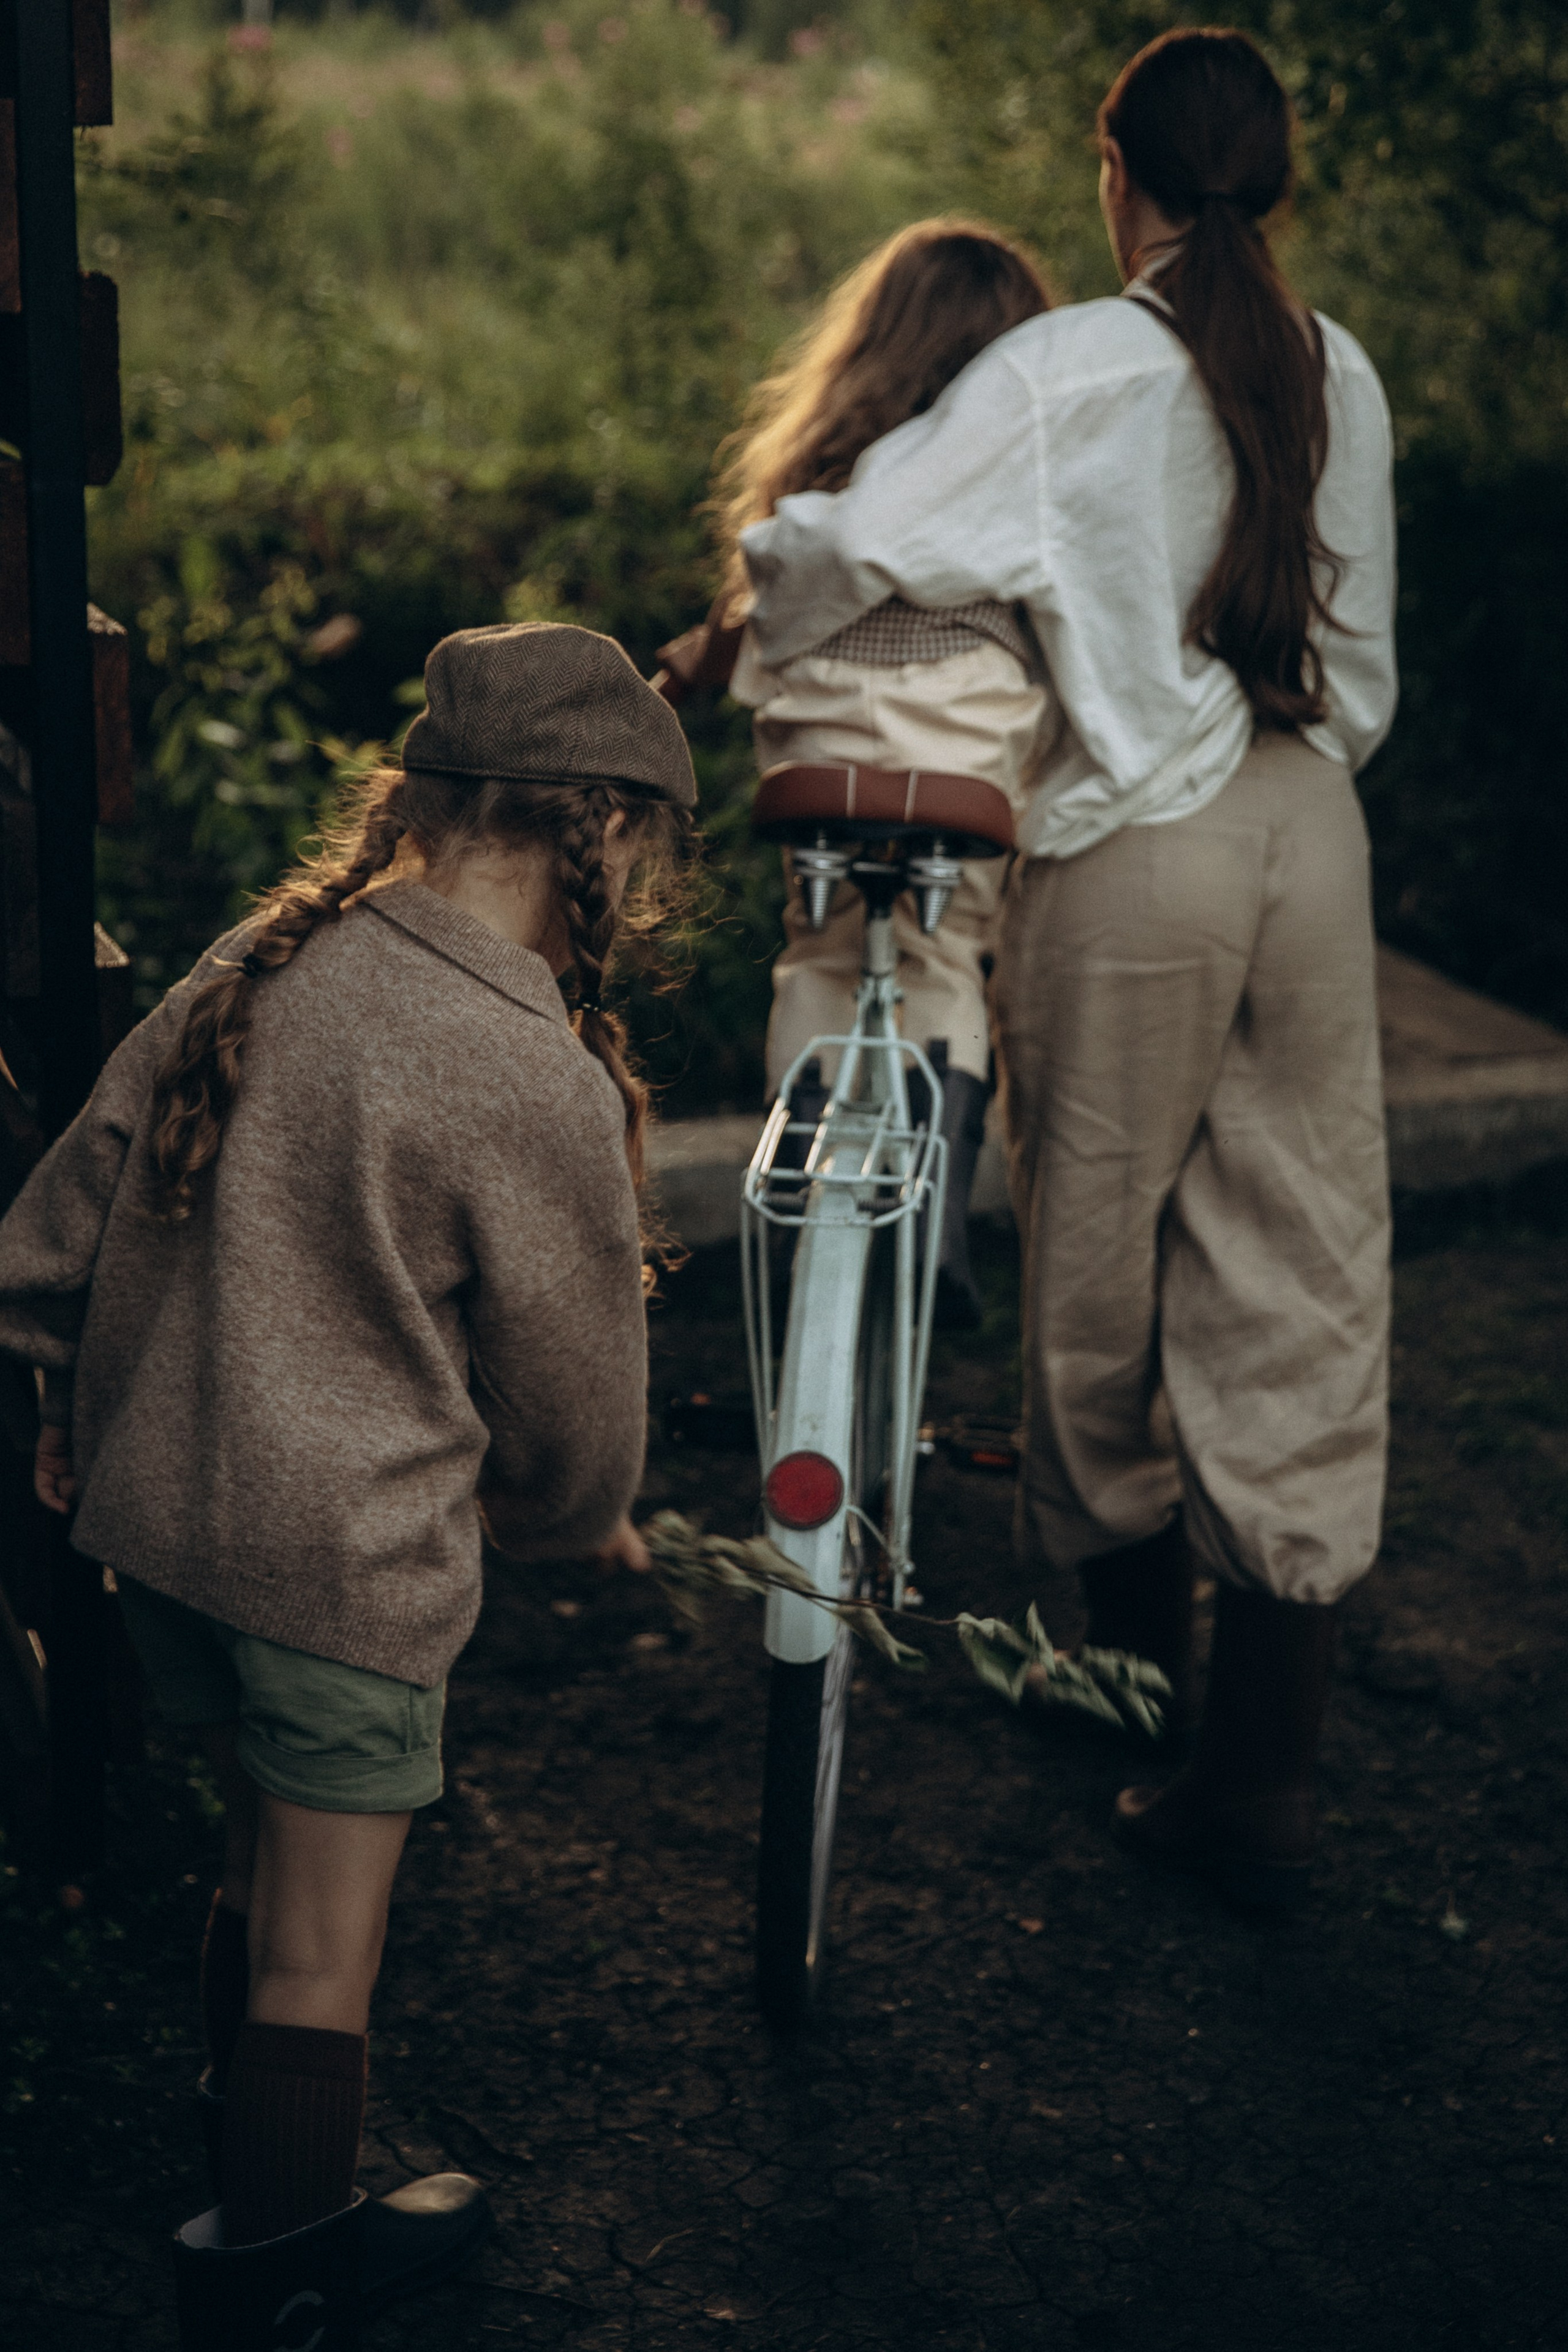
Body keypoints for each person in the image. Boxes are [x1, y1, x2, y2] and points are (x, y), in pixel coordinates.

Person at [739, 28, 1398, 1907]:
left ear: (1119, 174)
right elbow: (1361, 685)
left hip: (1140, 857)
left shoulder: (1071, 366)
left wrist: (753, 595)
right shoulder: (1337, 370)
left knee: (1096, 1278)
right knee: (1308, 1269)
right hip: (1313, 843)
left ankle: (1131, 1703)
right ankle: (1263, 1780)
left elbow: (844, 545)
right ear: (1270, 180)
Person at [0, 624, 695, 2343]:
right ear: (603, 827)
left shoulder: (259, 959)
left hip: (168, 1543)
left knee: (258, 1869)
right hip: (337, 1575)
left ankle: (256, 2176)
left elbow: (54, 1234)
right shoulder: (529, 1066)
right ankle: (279, 2283)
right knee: (326, 1953)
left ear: (426, 798)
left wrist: (66, 1392)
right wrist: (564, 1517)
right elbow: (579, 1416)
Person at [659, 220, 1058, 1327]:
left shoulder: (823, 477)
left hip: (821, 761)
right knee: (947, 953)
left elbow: (756, 612)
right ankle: (932, 1226)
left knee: (823, 952)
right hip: (964, 760)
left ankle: (803, 1198)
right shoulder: (1016, 481)